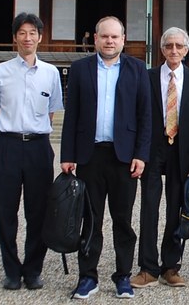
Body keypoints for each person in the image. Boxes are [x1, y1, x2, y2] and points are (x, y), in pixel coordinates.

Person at [61, 16, 152, 299]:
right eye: (104, 36)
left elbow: (145, 116)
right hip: (90, 156)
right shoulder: (80, 69)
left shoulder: (137, 69)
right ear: (96, 39)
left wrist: (141, 154)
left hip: (124, 157)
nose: (109, 41)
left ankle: (123, 276)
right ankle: (88, 276)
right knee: (91, 218)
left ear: (123, 39)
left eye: (115, 37)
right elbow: (71, 114)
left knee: (123, 219)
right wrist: (67, 154)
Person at [0, 13, 64, 291]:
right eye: (22, 33)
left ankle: (33, 269)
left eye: (33, 33)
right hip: (8, 145)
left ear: (41, 37)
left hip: (39, 147)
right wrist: (13, 127)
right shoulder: (0, 71)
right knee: (6, 210)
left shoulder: (51, 73)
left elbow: (52, 112)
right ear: (14, 37)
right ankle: (11, 270)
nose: (28, 38)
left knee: (38, 211)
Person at [130, 27, 189, 289]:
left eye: (179, 46)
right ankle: (148, 267)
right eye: (169, 45)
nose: (174, 50)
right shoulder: (148, 77)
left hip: (182, 151)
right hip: (153, 148)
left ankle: (171, 266)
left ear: (186, 50)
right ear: (162, 49)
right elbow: (139, 116)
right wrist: (138, 153)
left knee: (177, 208)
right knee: (149, 208)